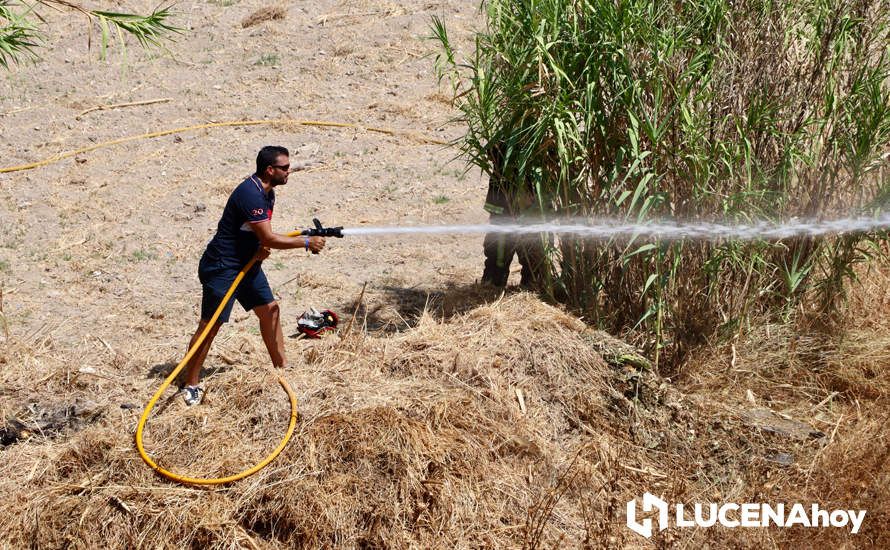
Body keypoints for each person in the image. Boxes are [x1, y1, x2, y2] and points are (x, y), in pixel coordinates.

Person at [179, 145, 326, 406]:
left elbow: (253, 231)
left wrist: (258, 248)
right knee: (210, 327)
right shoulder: (252, 195)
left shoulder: (268, 193)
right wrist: (305, 242)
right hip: (223, 267)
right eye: (284, 167)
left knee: (270, 310)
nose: (289, 171)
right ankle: (190, 384)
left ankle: (282, 369)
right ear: (270, 170)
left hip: (247, 263)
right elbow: (269, 236)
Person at [480, 145, 550, 289]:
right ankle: (492, 287)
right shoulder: (505, 136)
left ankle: (533, 288)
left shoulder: (545, 139)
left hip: (533, 206)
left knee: (534, 252)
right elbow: (492, 152)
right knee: (498, 251)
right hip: (504, 206)